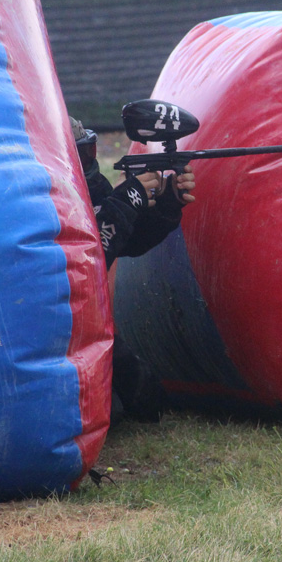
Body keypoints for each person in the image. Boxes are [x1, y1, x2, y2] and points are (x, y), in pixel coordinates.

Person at [71, 117, 195, 421]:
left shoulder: (90, 186)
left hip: (83, 325)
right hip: (55, 328)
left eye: (89, 152)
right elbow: (84, 261)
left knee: (147, 401)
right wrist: (126, 200)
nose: (87, 162)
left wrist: (166, 205)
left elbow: (126, 242)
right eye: (79, 156)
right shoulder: (40, 198)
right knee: (111, 405)